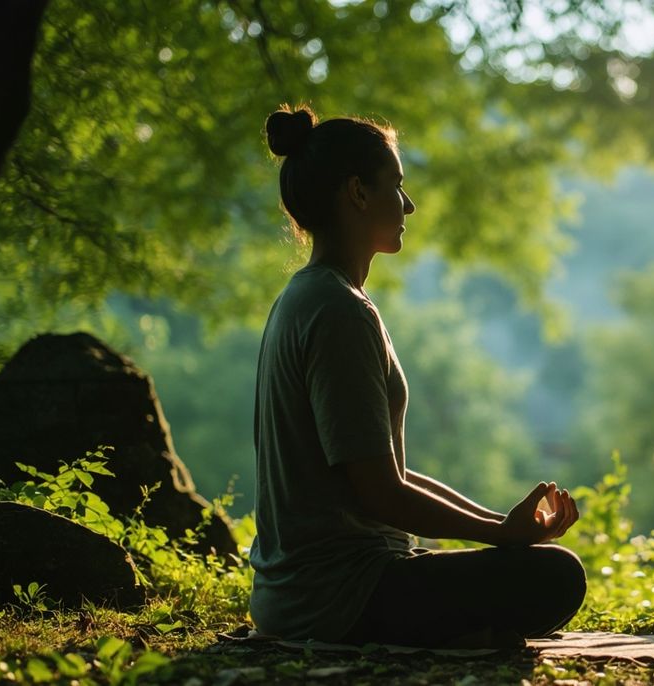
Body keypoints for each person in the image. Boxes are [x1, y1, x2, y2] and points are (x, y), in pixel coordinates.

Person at [250, 106, 586, 648]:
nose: (408, 204)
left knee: (530, 564)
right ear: (357, 193)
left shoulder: (308, 297)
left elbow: (388, 474)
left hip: (305, 594)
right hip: (335, 599)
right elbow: (383, 496)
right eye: (396, 186)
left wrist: (502, 526)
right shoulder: (338, 311)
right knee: (557, 576)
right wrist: (502, 536)